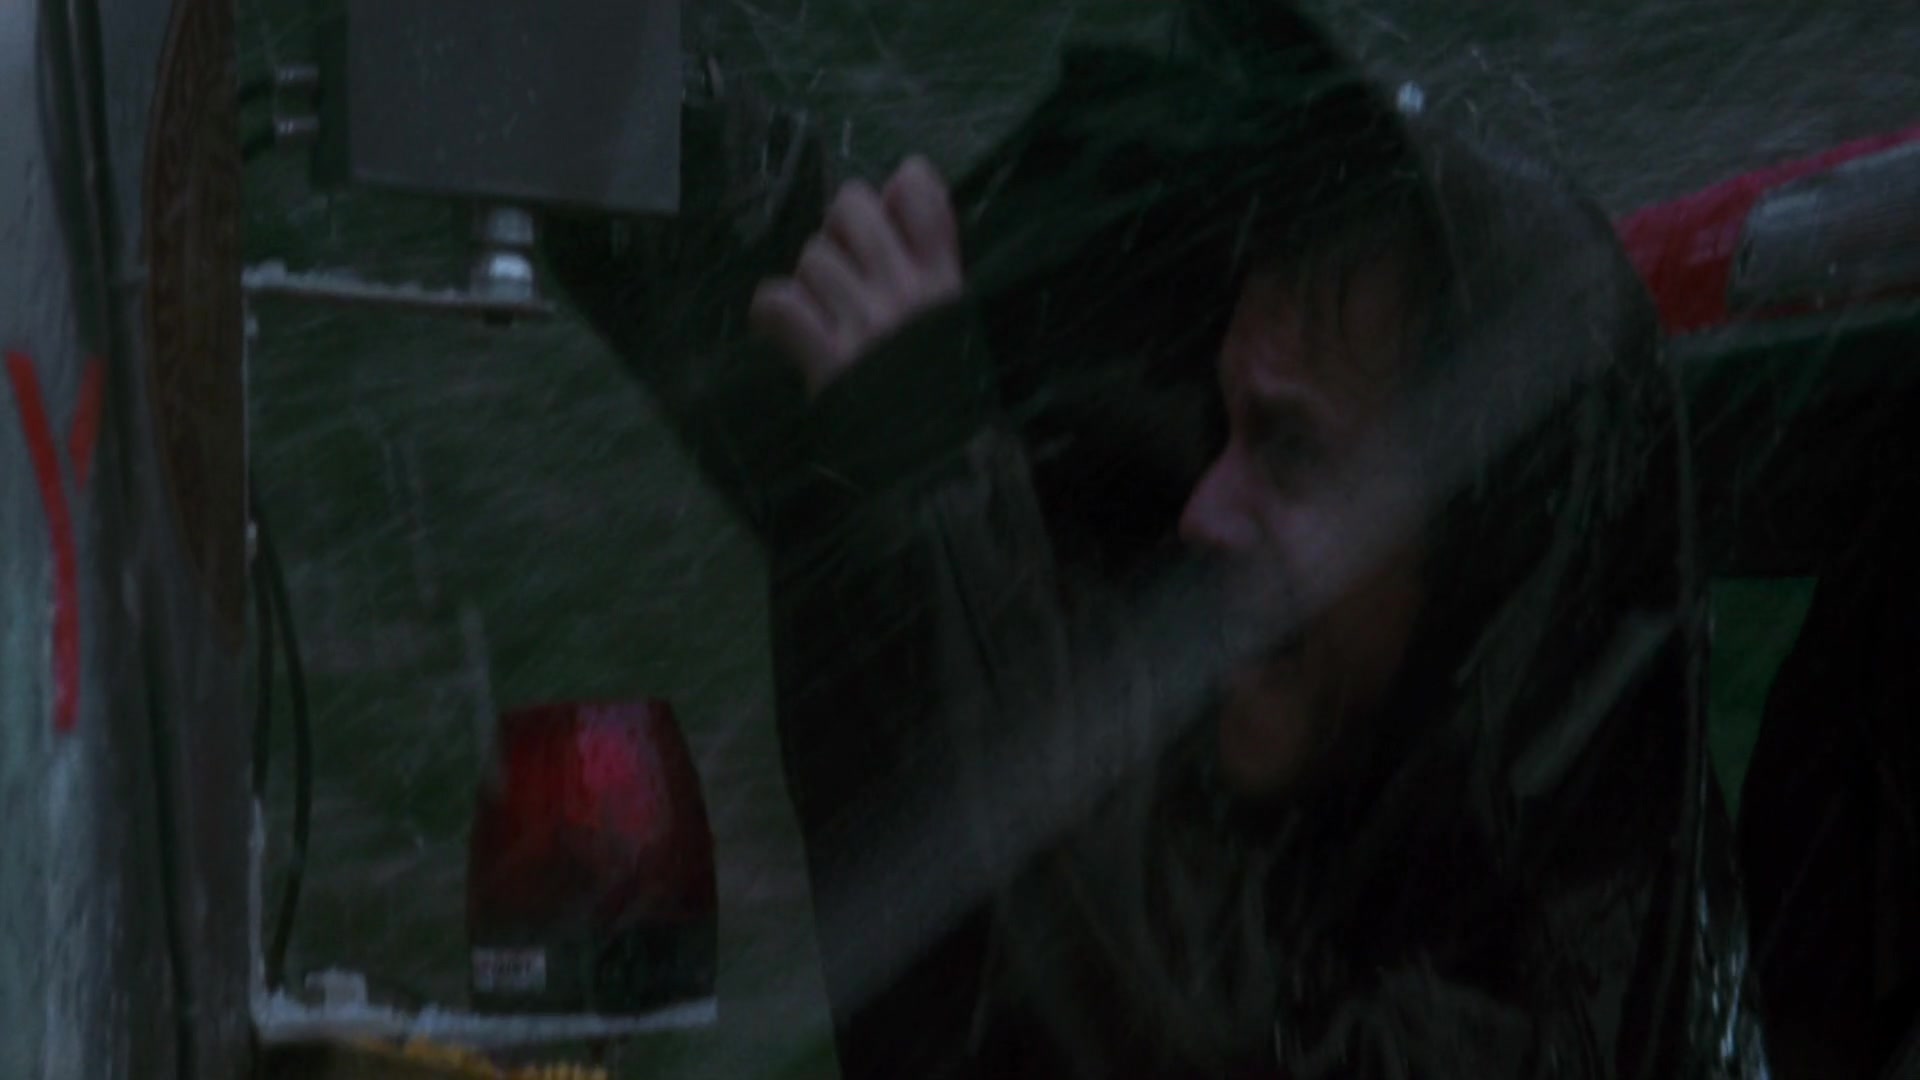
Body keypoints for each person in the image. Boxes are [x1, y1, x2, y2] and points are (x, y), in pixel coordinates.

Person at [551, 4, 1770, 1076]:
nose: (1204, 508)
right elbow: (891, 465)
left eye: (1290, 451)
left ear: (1485, 551)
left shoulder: (1542, 1029)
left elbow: (1164, 1028)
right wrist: (577, 83)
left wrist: (927, 470)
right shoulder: (1279, 780)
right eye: (1225, 429)